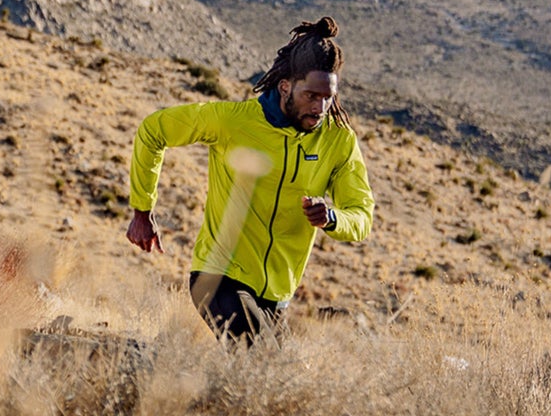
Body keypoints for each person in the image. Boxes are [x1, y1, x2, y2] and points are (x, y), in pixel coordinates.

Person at [125, 17, 374, 340]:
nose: (321, 106)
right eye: (311, 95)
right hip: (218, 276)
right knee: (257, 358)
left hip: (277, 296)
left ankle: (178, 385)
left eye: (328, 97)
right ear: (285, 85)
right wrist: (142, 210)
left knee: (277, 381)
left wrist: (331, 218)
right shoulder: (233, 122)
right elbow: (153, 130)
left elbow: (362, 215)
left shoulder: (338, 141)